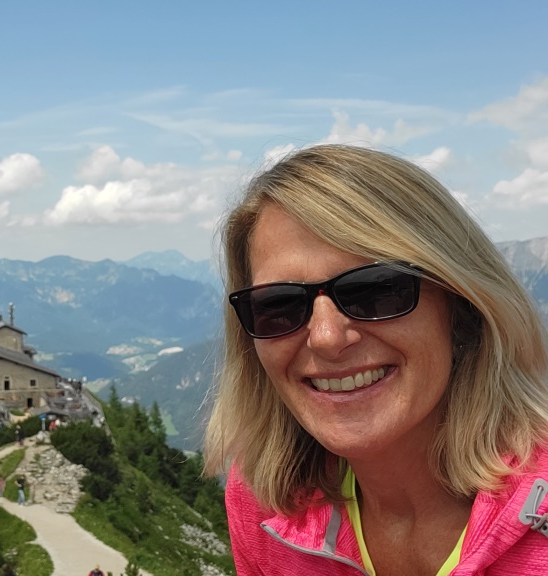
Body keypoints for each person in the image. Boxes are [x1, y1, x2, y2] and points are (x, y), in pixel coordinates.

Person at [205, 144, 548, 574]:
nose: (327, 338)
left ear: (462, 308)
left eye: (375, 289)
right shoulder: (261, 499)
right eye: (279, 305)